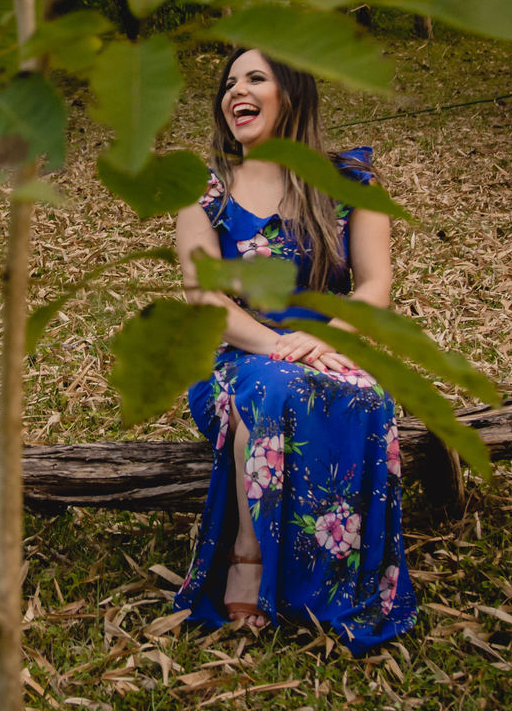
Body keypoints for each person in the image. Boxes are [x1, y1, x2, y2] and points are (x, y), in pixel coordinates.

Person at [171, 48, 416, 655]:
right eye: (229, 83)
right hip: (236, 355)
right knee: (273, 387)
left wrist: (325, 340)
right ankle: (248, 552)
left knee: (370, 395)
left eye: (255, 78)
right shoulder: (202, 193)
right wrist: (285, 348)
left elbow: (375, 286)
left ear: (294, 93)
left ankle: (341, 582)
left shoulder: (349, 182)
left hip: (330, 347)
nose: (236, 92)